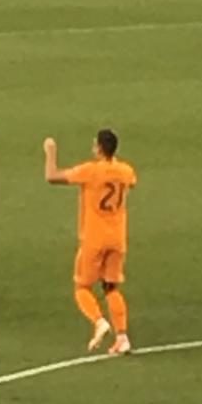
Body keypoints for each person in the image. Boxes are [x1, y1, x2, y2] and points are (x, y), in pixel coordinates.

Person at [43, 129, 138, 355]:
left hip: (94, 237)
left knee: (82, 287)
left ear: (99, 148)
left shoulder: (90, 171)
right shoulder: (126, 170)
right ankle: (122, 337)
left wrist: (50, 152)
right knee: (111, 287)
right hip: (117, 237)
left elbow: (52, 176)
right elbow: (131, 183)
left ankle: (98, 321)